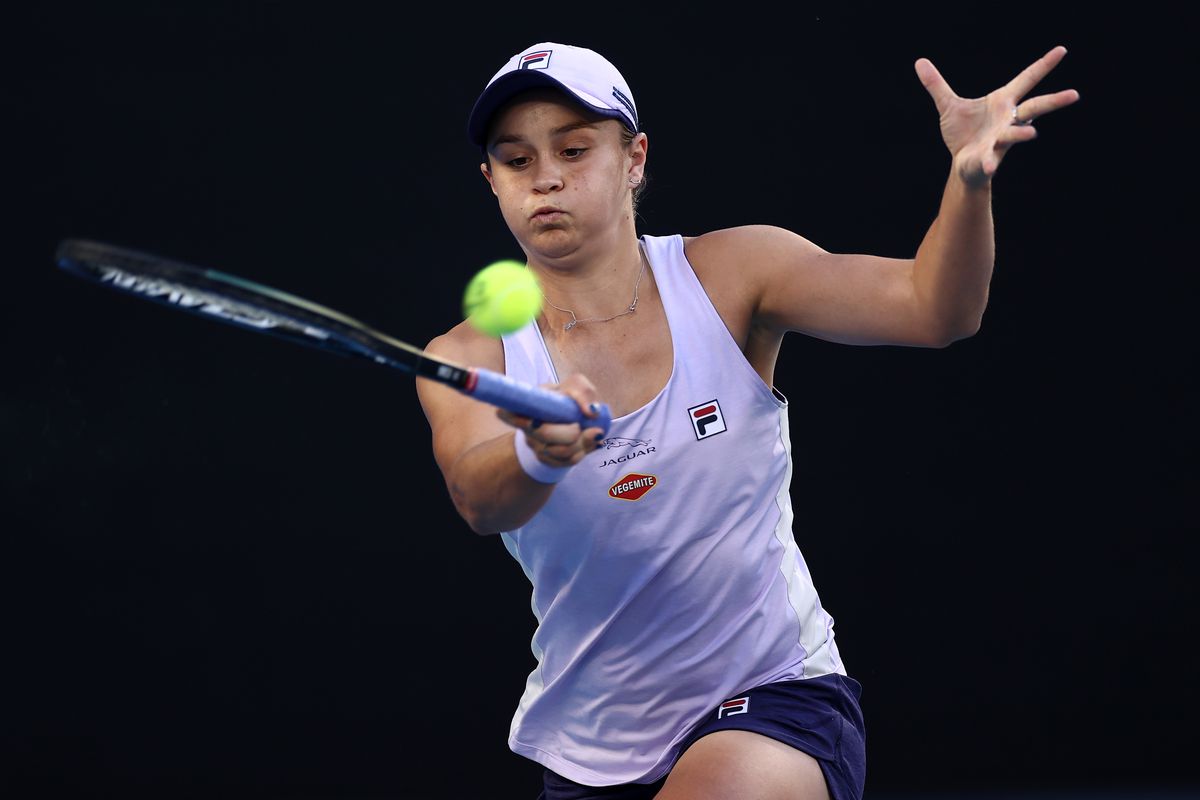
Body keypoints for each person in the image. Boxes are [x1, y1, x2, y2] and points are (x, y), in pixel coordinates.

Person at [416, 41, 1078, 800]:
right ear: (490, 181)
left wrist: (968, 184)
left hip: (776, 695)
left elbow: (939, 310)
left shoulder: (734, 275)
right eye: (517, 160)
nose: (548, 178)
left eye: (573, 148)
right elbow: (477, 495)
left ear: (634, 159)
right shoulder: (469, 356)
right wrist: (538, 452)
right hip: (592, 742)